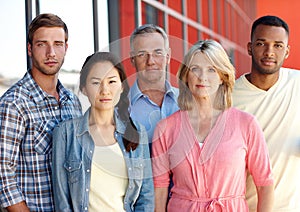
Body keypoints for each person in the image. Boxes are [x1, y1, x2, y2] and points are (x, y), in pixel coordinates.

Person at [152, 40, 274, 211]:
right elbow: (160, 189)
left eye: (211, 70)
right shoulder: (165, 129)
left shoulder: (246, 125)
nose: (202, 77)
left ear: (222, 77)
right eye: (195, 69)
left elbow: (264, 185)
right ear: (186, 75)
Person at [52, 52, 154, 211]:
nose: (105, 90)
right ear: (84, 88)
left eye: (112, 81)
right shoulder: (65, 134)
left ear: (121, 87)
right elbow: (62, 201)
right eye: (96, 82)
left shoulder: (136, 132)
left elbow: (146, 198)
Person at [0, 13, 82, 211]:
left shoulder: (73, 102)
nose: (51, 52)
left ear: (66, 48)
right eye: (41, 44)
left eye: (58, 44)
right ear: (30, 49)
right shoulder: (14, 103)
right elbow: (3, 177)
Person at [232, 15, 300, 212]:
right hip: (249, 207)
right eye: (262, 43)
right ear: (250, 47)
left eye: (278, 45)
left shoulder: (297, 83)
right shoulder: (229, 97)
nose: (269, 52)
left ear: (287, 51)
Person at [128, 24, 179, 149]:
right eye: (142, 54)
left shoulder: (187, 101)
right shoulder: (121, 109)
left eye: (157, 53)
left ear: (168, 56)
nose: (150, 61)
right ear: (132, 59)